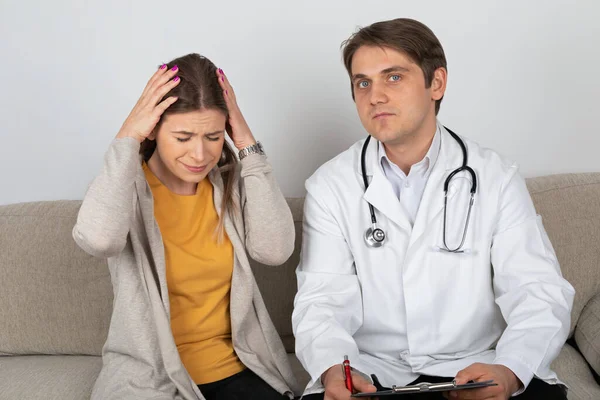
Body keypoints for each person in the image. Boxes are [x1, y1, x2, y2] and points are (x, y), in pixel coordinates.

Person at [292, 18, 574, 400]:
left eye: (393, 77)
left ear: (436, 83)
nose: (374, 96)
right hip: (374, 372)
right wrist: (335, 369)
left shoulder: (495, 177)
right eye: (363, 82)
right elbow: (321, 302)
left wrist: (509, 371)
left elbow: (538, 291)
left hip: (477, 367)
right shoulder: (330, 186)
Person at [73, 53, 299, 400]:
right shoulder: (126, 188)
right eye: (182, 137)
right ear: (153, 130)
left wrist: (248, 146)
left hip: (237, 369)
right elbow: (98, 239)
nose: (199, 154)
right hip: (151, 379)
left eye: (212, 136)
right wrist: (127, 136)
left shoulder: (232, 186)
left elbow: (275, 250)